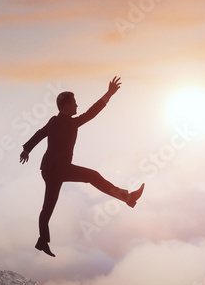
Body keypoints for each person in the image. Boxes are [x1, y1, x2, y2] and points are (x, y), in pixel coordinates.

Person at [20, 76, 144, 257]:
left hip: (48, 170)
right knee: (92, 176)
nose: (77, 105)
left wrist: (26, 149)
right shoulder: (70, 123)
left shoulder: (55, 121)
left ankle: (42, 241)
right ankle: (127, 197)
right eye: (74, 103)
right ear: (66, 106)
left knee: (48, 208)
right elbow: (92, 112)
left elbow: (40, 134)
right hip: (58, 169)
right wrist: (109, 94)